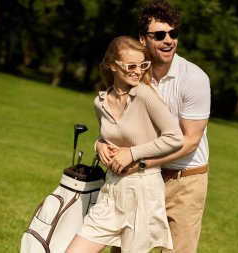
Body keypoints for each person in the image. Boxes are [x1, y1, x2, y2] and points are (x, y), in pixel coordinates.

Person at [103, 1, 211, 252]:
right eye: (159, 35)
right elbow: (116, 123)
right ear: (142, 39)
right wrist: (101, 144)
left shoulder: (194, 78)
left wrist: (141, 161)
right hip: (141, 177)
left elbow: (190, 140)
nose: (169, 40)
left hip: (184, 180)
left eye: (173, 34)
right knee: (123, 247)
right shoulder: (134, 75)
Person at [65, 36, 183, 253]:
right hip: (112, 190)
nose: (138, 71)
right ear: (113, 66)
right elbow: (111, 136)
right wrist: (99, 145)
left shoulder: (146, 95)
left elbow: (175, 137)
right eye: (131, 65)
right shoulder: (100, 102)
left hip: (143, 192)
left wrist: (132, 153)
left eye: (142, 65)